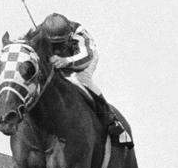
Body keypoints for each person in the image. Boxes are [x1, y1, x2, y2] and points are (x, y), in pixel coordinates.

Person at [39, 13, 130, 145]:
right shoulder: (40, 31)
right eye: (54, 44)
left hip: (84, 57)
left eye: (60, 44)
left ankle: (112, 120)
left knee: (80, 79)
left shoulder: (79, 34)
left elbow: (86, 56)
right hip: (66, 56)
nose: (57, 49)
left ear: (69, 36)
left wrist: (67, 61)